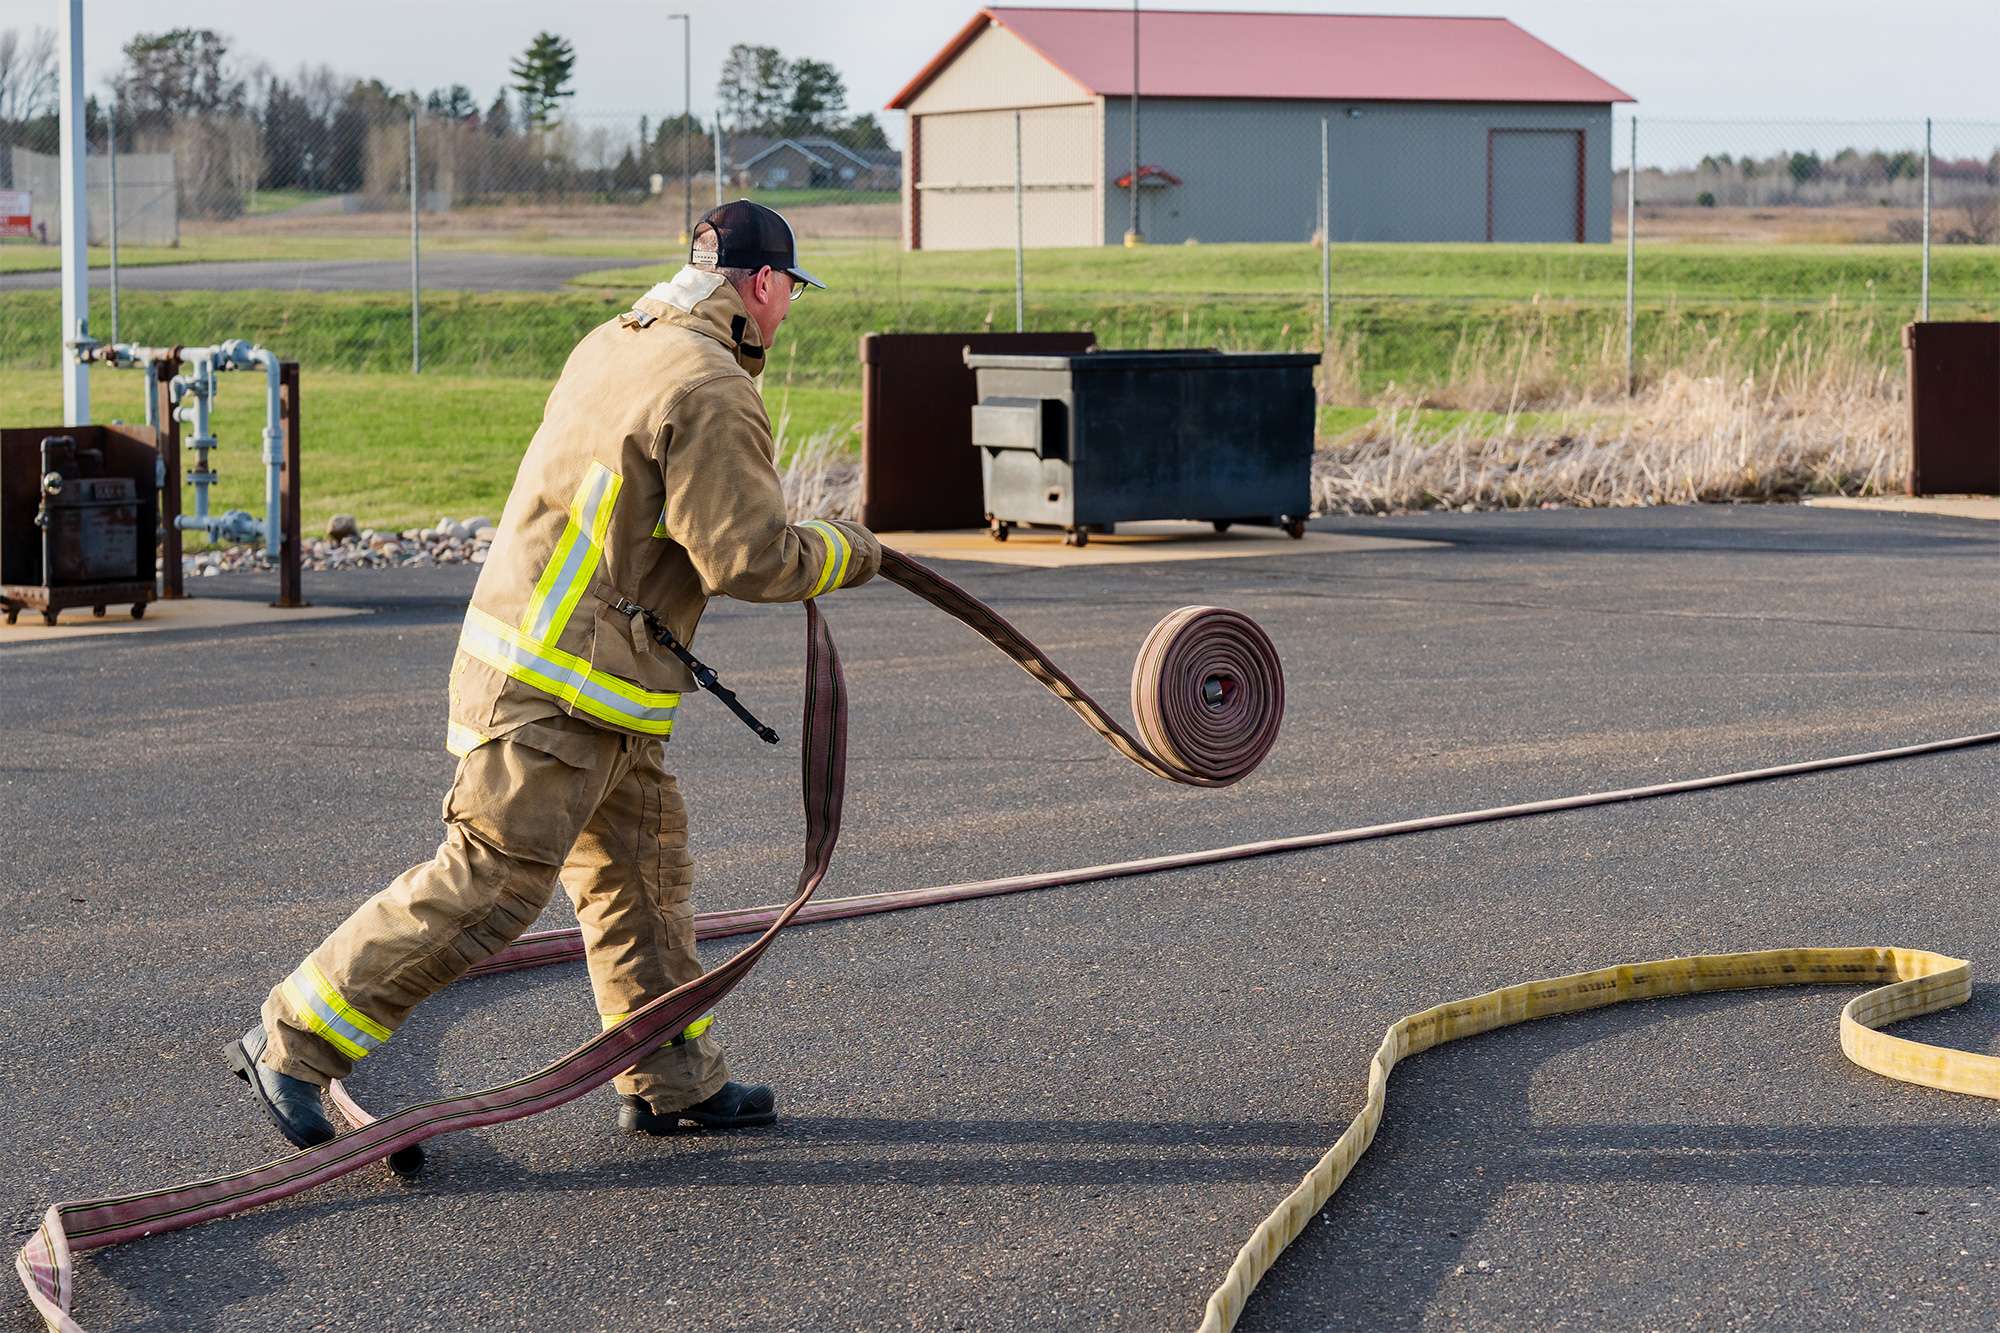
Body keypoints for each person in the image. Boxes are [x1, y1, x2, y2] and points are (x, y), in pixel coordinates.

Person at [227, 200, 880, 1146]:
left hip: (591, 683)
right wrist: (849, 550)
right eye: (788, 296)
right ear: (765, 285)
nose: (784, 314)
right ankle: (294, 1038)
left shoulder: (618, 341)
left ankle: (673, 1077)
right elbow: (746, 558)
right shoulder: (710, 384)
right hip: (560, 690)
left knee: (641, 878)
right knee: (491, 881)